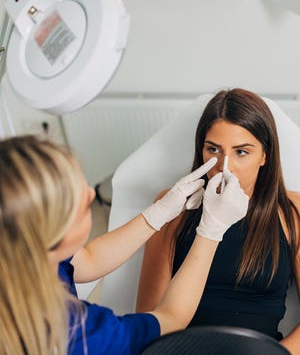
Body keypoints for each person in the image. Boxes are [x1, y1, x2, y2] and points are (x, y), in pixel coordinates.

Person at [0, 135, 249, 355]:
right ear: (52, 234)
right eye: (81, 203)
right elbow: (170, 320)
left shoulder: (19, 247)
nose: (91, 193)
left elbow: (89, 260)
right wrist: (211, 230)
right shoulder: (82, 334)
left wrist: (156, 215)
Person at [136, 88, 300, 355]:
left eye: (241, 152)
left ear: (265, 155)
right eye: (213, 149)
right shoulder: (174, 207)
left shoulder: (294, 212)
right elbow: (150, 316)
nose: (224, 166)